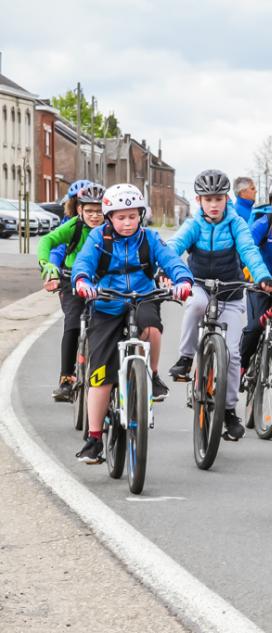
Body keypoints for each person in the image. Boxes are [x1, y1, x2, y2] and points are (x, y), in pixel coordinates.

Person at [71, 184, 193, 463]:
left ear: (141, 215)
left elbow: (172, 261)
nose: (127, 223)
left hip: (142, 298)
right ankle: (94, 438)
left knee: (152, 329)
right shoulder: (98, 238)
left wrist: (183, 281)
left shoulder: (150, 238)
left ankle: (152, 375)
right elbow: (84, 263)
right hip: (106, 303)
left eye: (132, 216)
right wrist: (83, 281)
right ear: (109, 217)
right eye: (120, 217)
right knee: (100, 375)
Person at [167, 169, 272, 441]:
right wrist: (166, 269)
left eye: (218, 199)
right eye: (208, 199)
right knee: (195, 305)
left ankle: (228, 411)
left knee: (233, 354)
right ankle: (186, 358)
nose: (214, 205)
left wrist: (262, 276)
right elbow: (174, 245)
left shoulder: (236, 223)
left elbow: (249, 250)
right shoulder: (194, 224)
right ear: (198, 200)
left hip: (231, 291)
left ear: (227, 199)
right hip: (200, 284)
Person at [37, 183, 106, 401]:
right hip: (71, 281)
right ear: (79, 209)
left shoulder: (112, 228)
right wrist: (47, 264)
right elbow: (47, 241)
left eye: (99, 211)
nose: (95, 216)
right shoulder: (74, 226)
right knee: (73, 322)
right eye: (89, 211)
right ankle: (66, 378)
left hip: (103, 281)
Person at [238, 178, 272, 400]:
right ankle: (241, 367)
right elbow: (246, 246)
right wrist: (255, 274)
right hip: (260, 284)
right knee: (254, 327)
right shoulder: (264, 222)